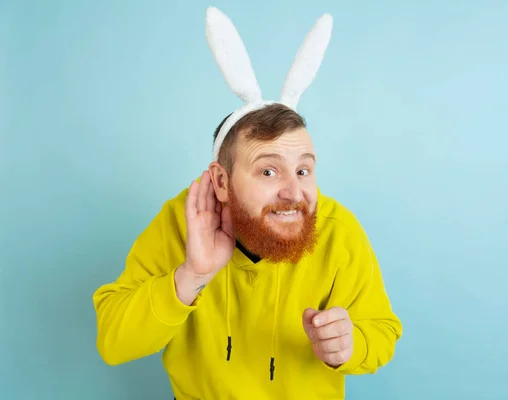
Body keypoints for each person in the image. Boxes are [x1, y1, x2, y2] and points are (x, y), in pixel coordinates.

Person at [92, 7, 402, 400]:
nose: (294, 192)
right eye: (269, 172)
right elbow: (113, 341)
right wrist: (191, 275)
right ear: (221, 182)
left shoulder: (339, 231)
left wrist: (351, 345)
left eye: (303, 171)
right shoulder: (180, 223)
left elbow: (383, 330)